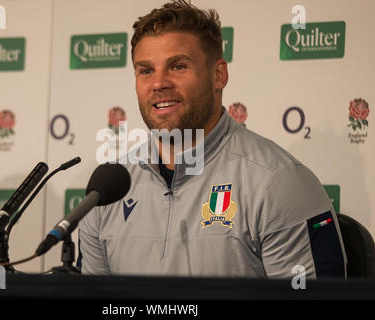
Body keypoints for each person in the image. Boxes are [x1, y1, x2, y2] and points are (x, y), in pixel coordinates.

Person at [78, 0, 347, 278]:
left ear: (218, 75)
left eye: (178, 66)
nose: (159, 83)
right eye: (146, 70)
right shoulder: (107, 191)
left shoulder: (278, 182)